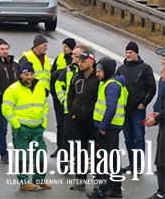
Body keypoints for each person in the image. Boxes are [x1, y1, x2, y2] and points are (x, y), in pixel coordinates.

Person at [2, 61, 50, 191]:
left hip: (37, 129)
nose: (29, 77)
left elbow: (44, 106)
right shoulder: (13, 90)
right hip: (22, 129)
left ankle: (39, 179)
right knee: (23, 157)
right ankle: (24, 182)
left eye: (31, 74)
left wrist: (43, 124)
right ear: (21, 75)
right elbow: (6, 109)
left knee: (41, 155)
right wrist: (18, 126)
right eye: (26, 74)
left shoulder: (40, 86)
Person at [87, 57, 127, 199]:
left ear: (106, 71)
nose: (96, 74)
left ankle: (101, 191)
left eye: (98, 71)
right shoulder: (115, 83)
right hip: (113, 127)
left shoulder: (111, 85)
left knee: (105, 160)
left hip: (108, 128)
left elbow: (111, 108)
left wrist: (103, 126)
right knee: (114, 159)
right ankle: (115, 189)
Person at [115, 40, 156, 172]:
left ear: (136, 53)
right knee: (128, 138)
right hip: (124, 109)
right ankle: (131, 164)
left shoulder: (145, 68)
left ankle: (138, 165)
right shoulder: (121, 69)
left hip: (138, 110)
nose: (128, 55)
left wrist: (143, 103)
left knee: (139, 137)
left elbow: (152, 88)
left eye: (130, 52)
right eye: (126, 52)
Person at [66, 47, 99, 190]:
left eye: (83, 62)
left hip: (94, 121)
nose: (80, 64)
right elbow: (70, 95)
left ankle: (99, 181)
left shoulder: (98, 78)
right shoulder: (76, 77)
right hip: (79, 120)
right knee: (80, 151)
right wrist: (72, 112)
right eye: (79, 61)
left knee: (98, 152)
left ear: (91, 62)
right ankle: (80, 179)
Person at [142, 47, 165, 199]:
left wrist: (156, 119)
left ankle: (162, 193)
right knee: (160, 160)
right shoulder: (162, 79)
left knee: (162, 160)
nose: (162, 64)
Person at [51, 37, 77, 154]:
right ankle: (60, 147)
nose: (63, 49)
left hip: (72, 99)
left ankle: (69, 151)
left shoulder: (77, 62)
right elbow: (52, 75)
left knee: (70, 126)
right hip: (60, 97)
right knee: (60, 124)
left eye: (65, 47)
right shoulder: (59, 58)